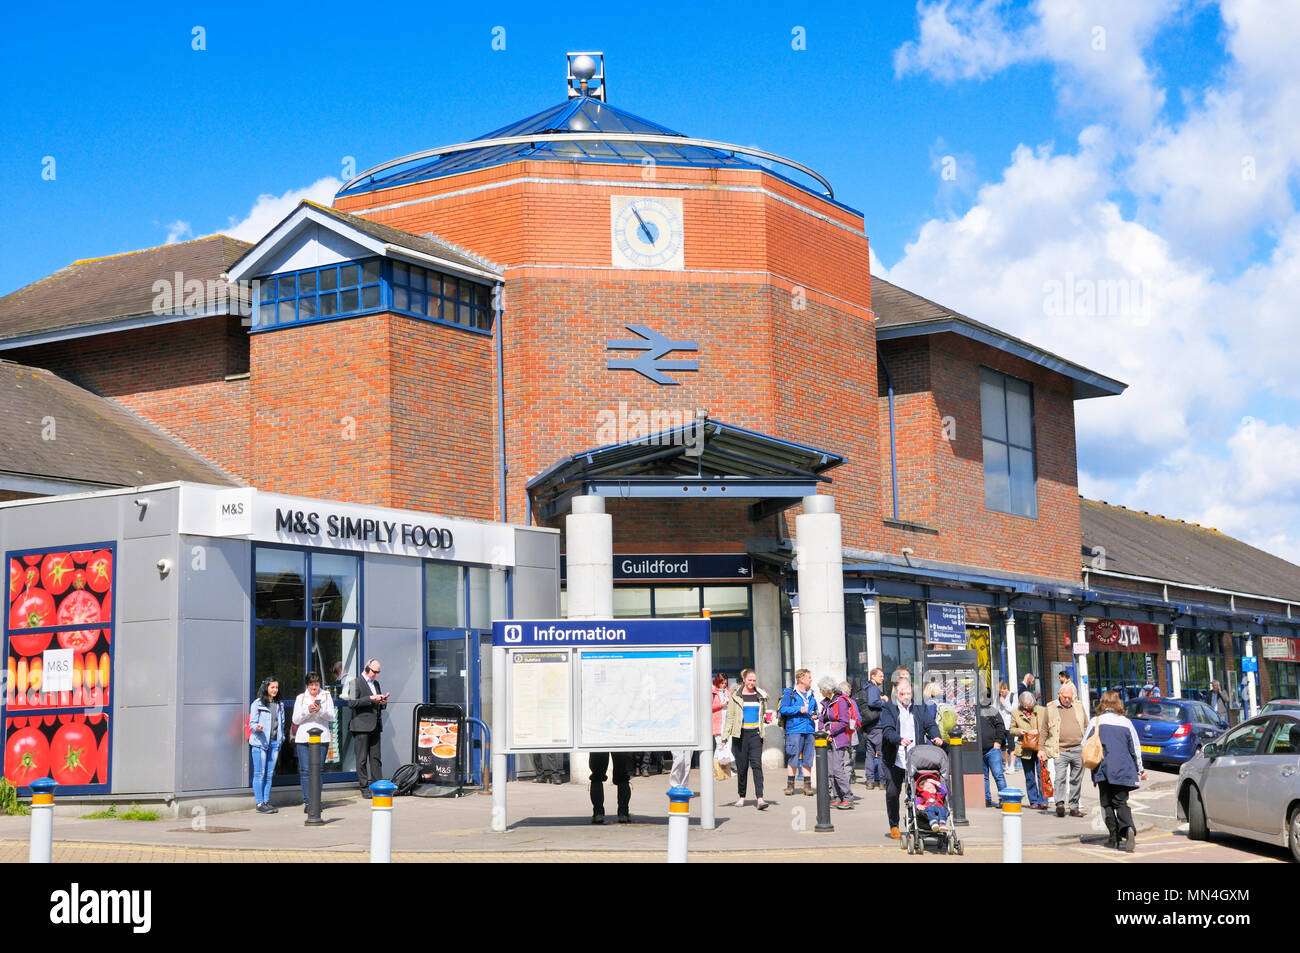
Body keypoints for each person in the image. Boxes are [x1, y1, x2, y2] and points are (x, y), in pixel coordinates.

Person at [879, 679, 943, 839]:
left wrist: (936, 736)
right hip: (895, 757)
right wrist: (898, 739)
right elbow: (887, 730)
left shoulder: (919, 707)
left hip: (916, 758)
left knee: (917, 793)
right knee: (893, 793)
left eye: (909, 693)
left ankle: (919, 823)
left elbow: (930, 725)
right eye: (903, 693)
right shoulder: (889, 708)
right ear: (896, 693)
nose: (906, 696)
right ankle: (894, 825)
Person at [1084, 690, 1146, 851]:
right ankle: (1128, 828)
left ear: (1102, 703)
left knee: (1106, 804)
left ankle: (1114, 838)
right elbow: (1135, 749)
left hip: (1102, 768)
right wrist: (1141, 769)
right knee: (1120, 801)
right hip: (1123, 769)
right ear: (1118, 703)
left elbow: (1085, 745)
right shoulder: (1126, 723)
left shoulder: (1095, 721)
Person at [721, 668, 770, 810]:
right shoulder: (736, 696)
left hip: (756, 735)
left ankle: (760, 798)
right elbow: (730, 718)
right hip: (740, 736)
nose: (752, 683)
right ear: (744, 679)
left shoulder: (760, 695)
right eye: (749, 680)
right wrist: (724, 738)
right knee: (742, 769)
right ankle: (741, 797)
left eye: (754, 680)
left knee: (756, 766)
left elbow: (763, 713)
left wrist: (766, 719)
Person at [1042, 682, 1088, 817]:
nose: (1068, 699)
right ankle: (1060, 804)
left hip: (1078, 748)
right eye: (1065, 697)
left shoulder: (1078, 706)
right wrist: (1041, 749)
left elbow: (1086, 725)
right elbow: (1044, 730)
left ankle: (1074, 807)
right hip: (1060, 749)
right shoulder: (1050, 708)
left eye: (1070, 697)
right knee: (1060, 777)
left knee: (1076, 779)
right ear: (1059, 695)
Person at [292, 671, 336, 812]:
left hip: (321, 738)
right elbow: (295, 719)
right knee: (305, 771)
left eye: (316, 685)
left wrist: (320, 711)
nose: (314, 688)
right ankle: (307, 802)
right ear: (307, 685)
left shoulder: (326, 695)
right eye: (311, 685)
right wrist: (308, 710)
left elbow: (332, 717)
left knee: (318, 770)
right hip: (304, 738)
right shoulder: (301, 698)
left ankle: (316, 801)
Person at [348, 657, 388, 798]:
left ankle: (378, 786)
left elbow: (379, 704)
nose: (375, 675)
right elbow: (352, 703)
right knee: (362, 759)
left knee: (376, 758)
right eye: (374, 671)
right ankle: (364, 787)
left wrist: (382, 702)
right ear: (366, 669)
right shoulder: (354, 683)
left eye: (378, 672)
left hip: (375, 725)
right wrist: (370, 699)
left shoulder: (375, 683)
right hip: (361, 726)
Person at [779, 668, 819, 796]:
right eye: (809, 677)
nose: (811, 679)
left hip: (809, 729)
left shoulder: (811, 693)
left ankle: (807, 786)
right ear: (801, 679)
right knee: (793, 757)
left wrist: (815, 715)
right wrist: (798, 709)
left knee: (808, 758)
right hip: (795, 729)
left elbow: (815, 709)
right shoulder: (790, 692)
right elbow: (783, 709)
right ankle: (790, 786)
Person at [248, 675, 284, 813]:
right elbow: (252, 723)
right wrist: (257, 726)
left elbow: (281, 723)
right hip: (260, 743)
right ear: (266, 688)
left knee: (269, 774)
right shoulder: (257, 704)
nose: (275, 690)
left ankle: (266, 801)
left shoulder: (279, 704)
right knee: (260, 773)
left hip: (274, 743)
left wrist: (281, 739)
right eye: (272, 687)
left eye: (276, 687)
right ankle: (259, 803)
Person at [818, 677, 854, 809]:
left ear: (827, 690)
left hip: (839, 739)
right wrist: (822, 730)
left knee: (838, 770)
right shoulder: (826, 702)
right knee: (830, 771)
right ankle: (837, 797)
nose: (820, 691)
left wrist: (830, 732)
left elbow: (844, 721)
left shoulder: (841, 701)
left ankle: (848, 797)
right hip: (828, 738)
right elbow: (822, 719)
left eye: (821, 689)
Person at [1010, 691, 1048, 809]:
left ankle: (1044, 800)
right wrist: (1019, 731)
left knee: (1042, 774)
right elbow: (1011, 729)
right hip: (1025, 747)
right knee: (1029, 775)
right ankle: (1033, 801)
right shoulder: (1016, 712)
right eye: (1024, 705)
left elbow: (1048, 727)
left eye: (1029, 705)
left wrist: (1038, 731)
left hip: (1040, 746)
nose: (1027, 707)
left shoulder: (1042, 710)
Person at [588, 750, 634, 824]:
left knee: (597, 775)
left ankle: (598, 814)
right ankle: (623, 814)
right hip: (620, 740)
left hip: (599, 740)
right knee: (623, 776)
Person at [861, 667, 887, 790]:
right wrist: (883, 700)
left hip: (868, 725)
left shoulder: (865, 688)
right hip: (877, 726)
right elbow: (873, 703)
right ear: (873, 677)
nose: (882, 678)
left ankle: (870, 781)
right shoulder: (873, 688)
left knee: (869, 755)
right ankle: (882, 782)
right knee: (881, 754)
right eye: (880, 676)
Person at [980, 702, 1009, 807]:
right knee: (983, 777)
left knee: (998, 775)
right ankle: (986, 799)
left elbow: (1001, 727)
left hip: (992, 749)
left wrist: (997, 742)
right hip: (978, 751)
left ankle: (1004, 799)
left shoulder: (991, 710)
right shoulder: (970, 711)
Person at [839, 680, 862, 792]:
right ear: (848, 691)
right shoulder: (851, 702)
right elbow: (858, 719)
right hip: (851, 736)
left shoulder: (835, 702)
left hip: (837, 737)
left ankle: (838, 789)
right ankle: (846, 789)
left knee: (838, 764)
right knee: (848, 764)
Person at [997, 681, 1015, 773]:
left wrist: (1003, 703)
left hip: (1010, 725)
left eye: (1002, 691)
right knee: (1002, 746)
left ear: (1006, 688)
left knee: (1011, 746)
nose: (1001, 693)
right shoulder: (1000, 697)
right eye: (1000, 692)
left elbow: (1013, 710)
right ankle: (1006, 764)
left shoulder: (1013, 696)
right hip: (1001, 725)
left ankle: (1012, 766)